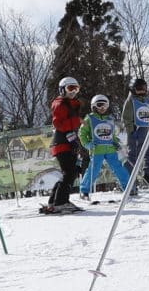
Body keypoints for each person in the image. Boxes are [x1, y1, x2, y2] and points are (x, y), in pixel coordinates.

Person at [41, 76, 86, 214]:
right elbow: (58, 124)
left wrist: (75, 133)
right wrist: (76, 121)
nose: (73, 92)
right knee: (69, 173)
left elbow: (69, 124)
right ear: (62, 89)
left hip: (68, 141)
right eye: (70, 88)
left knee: (68, 173)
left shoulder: (71, 104)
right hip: (61, 143)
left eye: (76, 89)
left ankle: (54, 201)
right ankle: (61, 202)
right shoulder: (60, 103)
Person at [80, 95, 129, 195]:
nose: (103, 108)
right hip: (97, 149)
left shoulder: (110, 119)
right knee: (93, 170)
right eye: (100, 105)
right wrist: (87, 144)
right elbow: (82, 133)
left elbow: (111, 134)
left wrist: (116, 142)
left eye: (105, 105)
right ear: (94, 106)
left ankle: (128, 187)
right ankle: (84, 190)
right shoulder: (89, 118)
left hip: (110, 149)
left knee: (118, 167)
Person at [125, 77, 149, 191]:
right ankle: (127, 180)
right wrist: (131, 131)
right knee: (133, 158)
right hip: (136, 133)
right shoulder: (130, 101)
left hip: (147, 133)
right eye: (138, 89)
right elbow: (126, 118)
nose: (142, 91)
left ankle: (148, 177)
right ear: (133, 89)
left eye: (144, 88)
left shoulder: (148, 101)